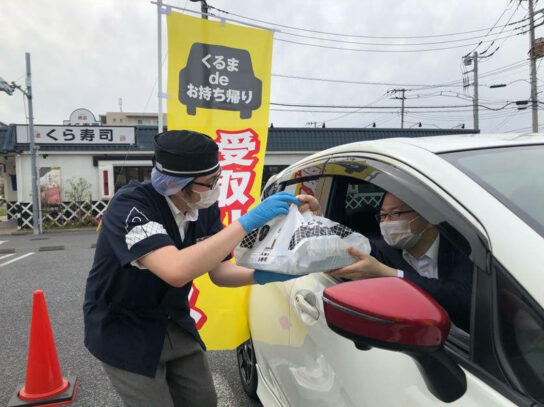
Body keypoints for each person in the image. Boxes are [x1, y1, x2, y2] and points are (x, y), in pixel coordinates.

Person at [83, 130, 317, 407]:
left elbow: (220, 272)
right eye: (210, 182)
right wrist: (247, 222)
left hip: (173, 319)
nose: (217, 187)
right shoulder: (130, 206)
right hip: (123, 326)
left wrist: (266, 274)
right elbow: (176, 270)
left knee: (203, 399)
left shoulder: (202, 206)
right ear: (177, 184)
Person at [330, 192, 473, 331]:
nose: (386, 223)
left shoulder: (462, 249)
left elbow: (463, 300)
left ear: (429, 218)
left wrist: (390, 274)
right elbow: (342, 246)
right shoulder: (382, 250)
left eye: (395, 214)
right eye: (383, 215)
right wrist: (318, 220)